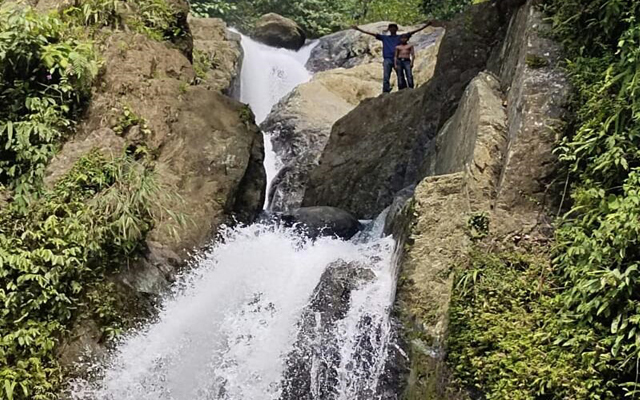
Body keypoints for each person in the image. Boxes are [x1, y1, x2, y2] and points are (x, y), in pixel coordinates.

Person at [351, 22, 430, 93]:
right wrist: (358, 29)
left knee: (400, 76)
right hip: (388, 59)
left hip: (398, 59)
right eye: (391, 28)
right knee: (386, 76)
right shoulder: (385, 38)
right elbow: (372, 34)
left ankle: (403, 90)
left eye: (394, 28)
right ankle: (386, 91)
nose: (392, 30)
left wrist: (426, 25)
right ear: (388, 29)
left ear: (396, 29)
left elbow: (413, 32)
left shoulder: (401, 37)